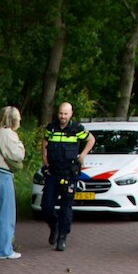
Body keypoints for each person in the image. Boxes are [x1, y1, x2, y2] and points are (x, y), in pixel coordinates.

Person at [40, 102, 95, 252]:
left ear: (71, 114)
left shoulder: (77, 129)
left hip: (69, 174)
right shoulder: (51, 128)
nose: (62, 117)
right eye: (60, 113)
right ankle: (54, 226)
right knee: (46, 206)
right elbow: (45, 142)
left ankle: (62, 236)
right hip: (53, 172)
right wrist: (44, 159)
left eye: (65, 114)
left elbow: (91, 140)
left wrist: (82, 155)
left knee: (66, 207)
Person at [0, 106, 26, 260]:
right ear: (14, 119)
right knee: (7, 214)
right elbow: (18, 155)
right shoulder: (10, 135)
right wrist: (21, 144)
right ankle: (5, 249)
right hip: (3, 175)